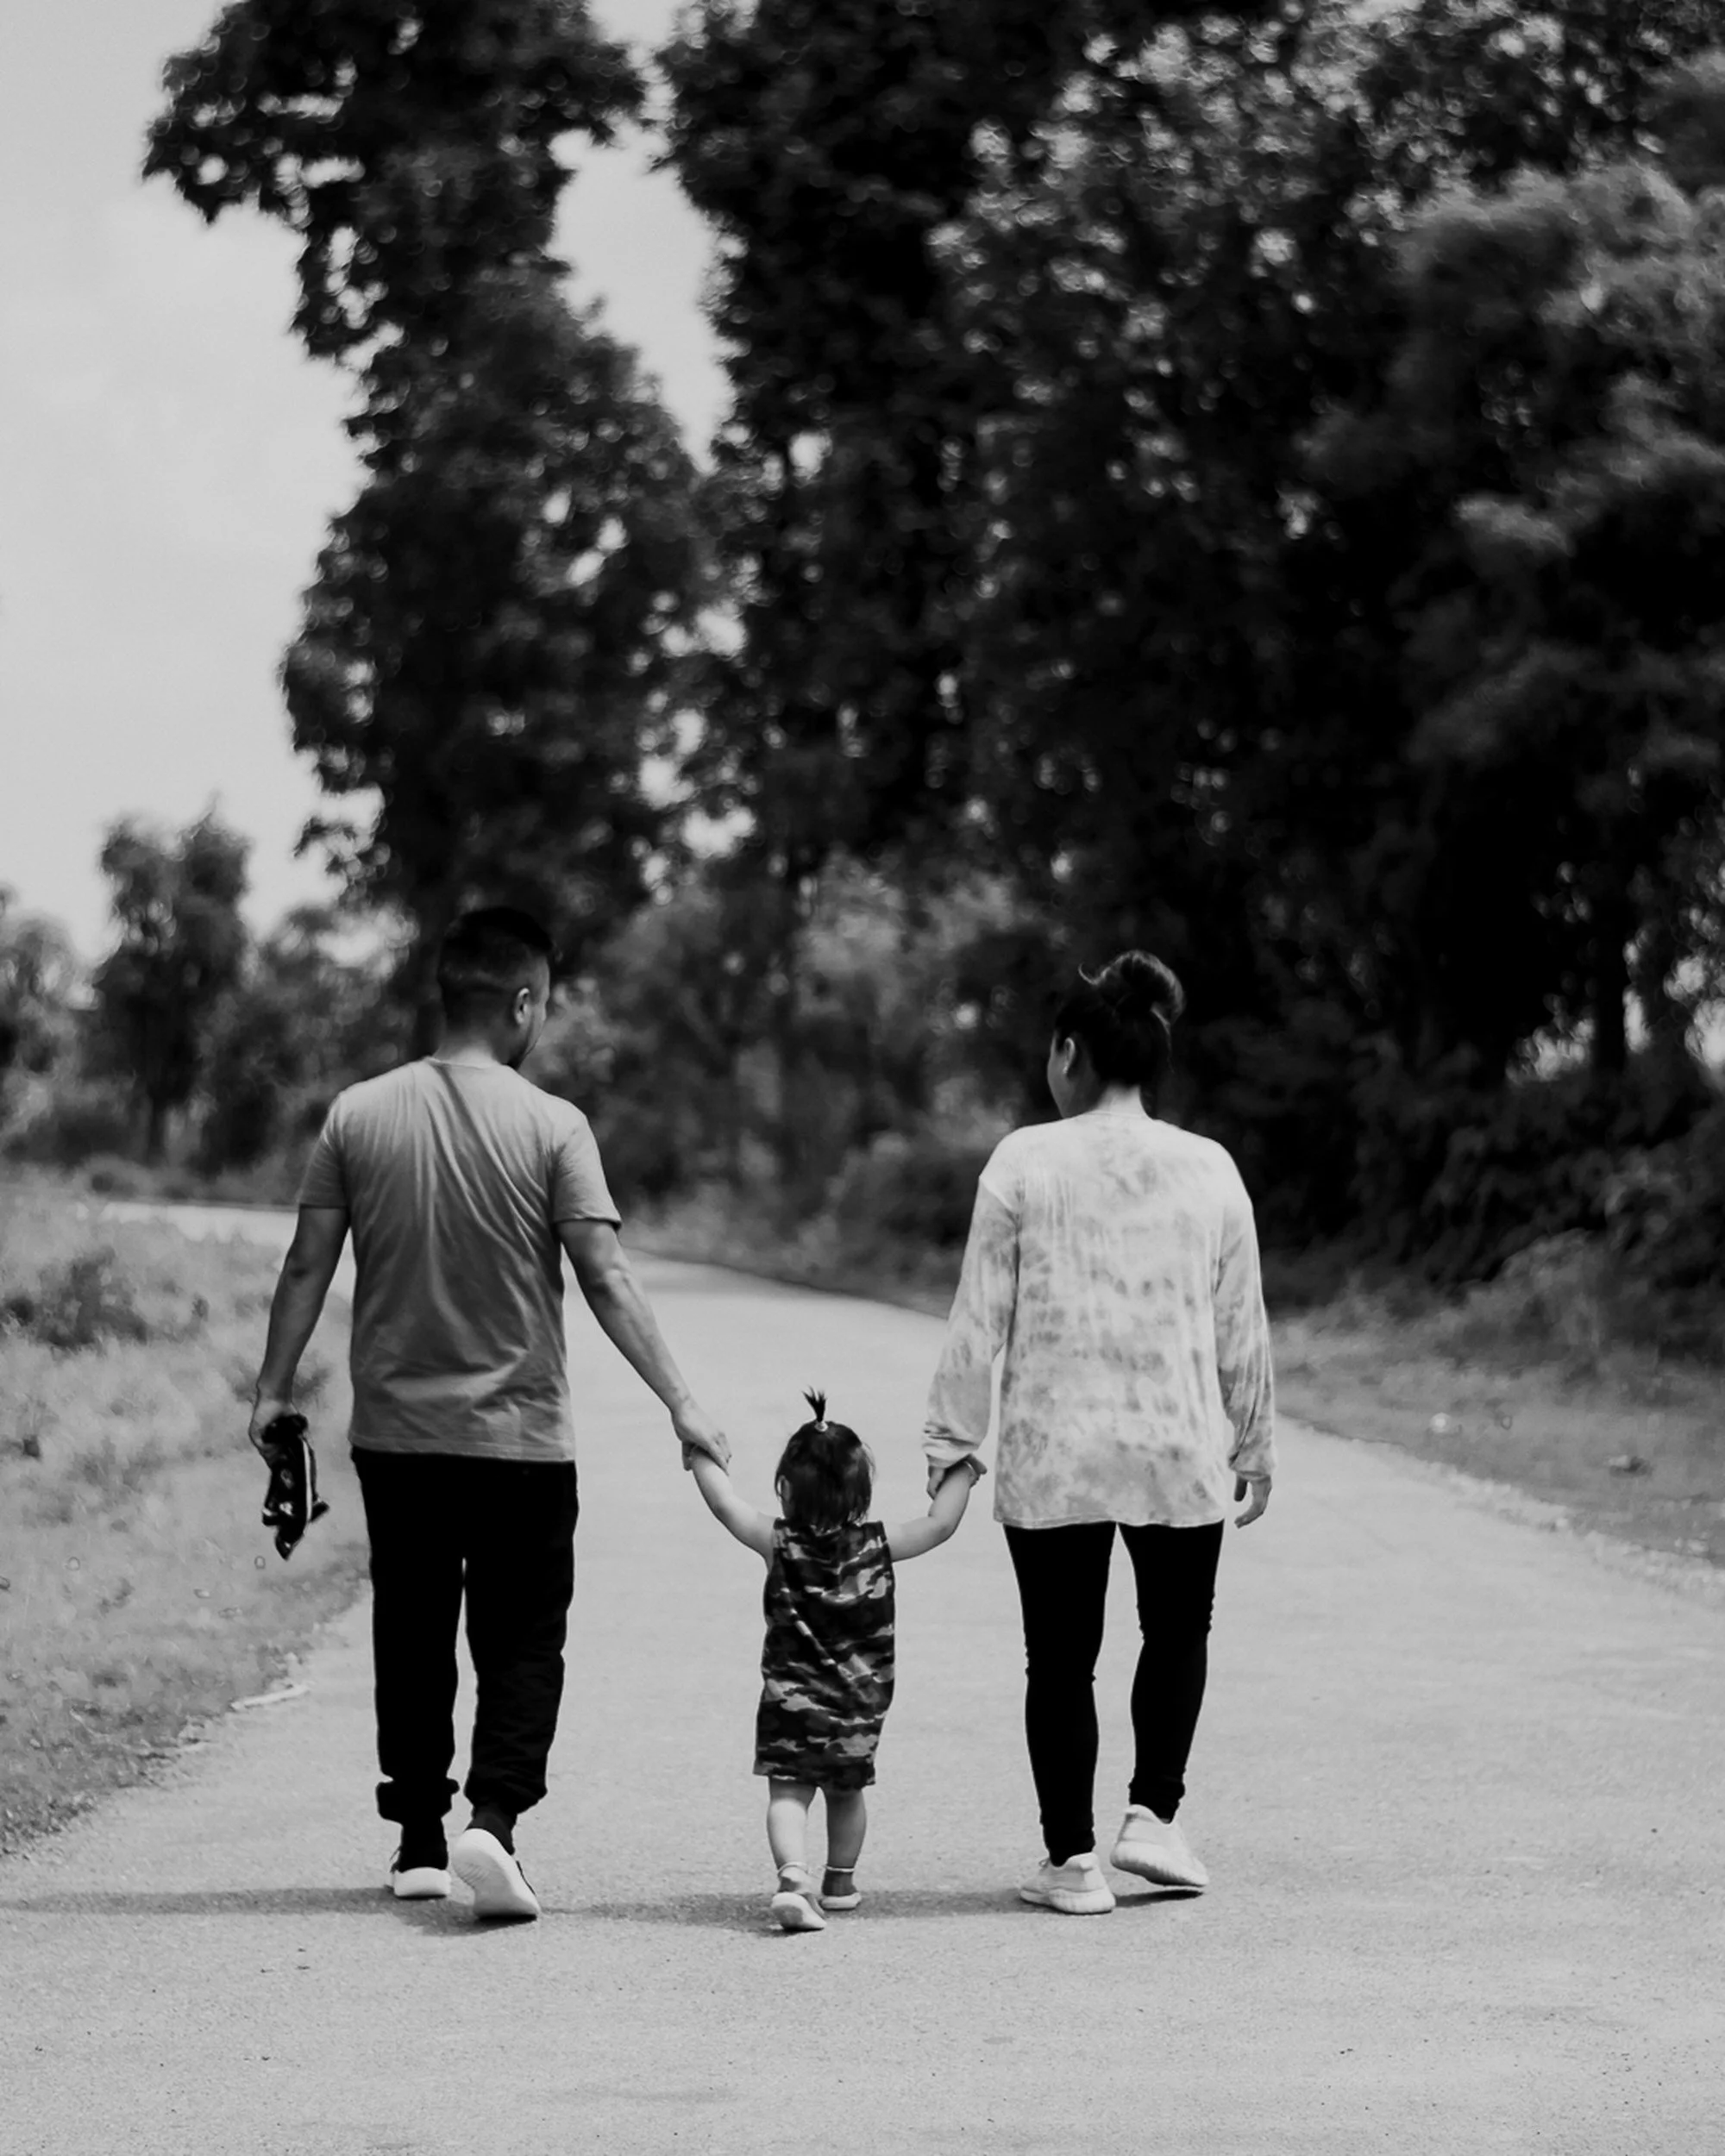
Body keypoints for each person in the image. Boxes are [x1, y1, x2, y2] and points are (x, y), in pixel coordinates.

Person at [248, 906, 730, 1921]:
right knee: (519, 1639)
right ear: (519, 1003)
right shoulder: (555, 1126)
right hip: (520, 1441)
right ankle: (494, 1824)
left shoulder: (356, 1114)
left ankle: (419, 1839)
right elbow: (604, 1277)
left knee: (412, 1630)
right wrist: (683, 1403)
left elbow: (306, 1263)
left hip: (397, 1437)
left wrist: (271, 1389)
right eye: (544, 1006)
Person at [923, 950, 1274, 1915]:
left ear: (1067, 1053)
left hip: (1053, 1452)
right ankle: (1152, 1816)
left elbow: (975, 1318)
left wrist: (949, 1444)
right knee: (1175, 1631)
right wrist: (1254, 1439)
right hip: (1178, 1447)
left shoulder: (1022, 1161)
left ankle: (1071, 1861)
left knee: (1059, 1658)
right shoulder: (1210, 1168)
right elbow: (1239, 1321)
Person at [686, 1389, 982, 1932]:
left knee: (788, 1792)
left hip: (789, 1700)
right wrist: (960, 1468)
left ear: (786, 1488)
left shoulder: (778, 1542)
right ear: (860, 1491)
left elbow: (725, 1505)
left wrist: (700, 1454)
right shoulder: (879, 1544)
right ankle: (839, 1882)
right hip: (858, 1703)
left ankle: (793, 1878)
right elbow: (941, 1524)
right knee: (847, 1793)